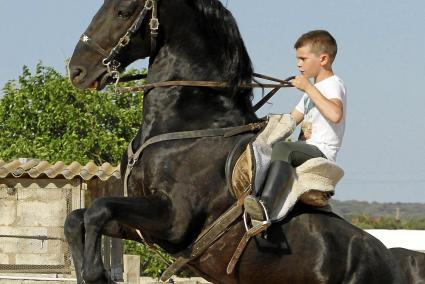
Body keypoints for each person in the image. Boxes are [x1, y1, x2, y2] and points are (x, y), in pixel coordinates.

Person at [245, 30, 347, 228]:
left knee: (284, 149)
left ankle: (266, 206)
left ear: (323, 59)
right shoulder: (311, 94)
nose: (298, 64)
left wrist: (308, 88)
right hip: (306, 148)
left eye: (303, 58)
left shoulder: (333, 85)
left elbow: (335, 114)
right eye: (297, 59)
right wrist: (257, 130)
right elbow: (290, 121)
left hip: (322, 151)